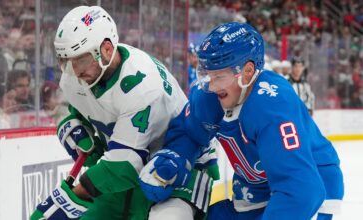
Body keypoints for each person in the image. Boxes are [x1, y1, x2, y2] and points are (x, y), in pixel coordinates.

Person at [139, 22, 344, 220]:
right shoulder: (211, 95)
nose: (210, 86)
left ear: (247, 72)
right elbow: (189, 131)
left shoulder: (272, 107)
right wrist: (175, 156)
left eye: (219, 76)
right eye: (207, 75)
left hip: (308, 199)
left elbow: (300, 190)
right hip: (252, 194)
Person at [31, 6, 217, 220]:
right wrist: (72, 122)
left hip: (181, 164)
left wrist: (70, 200)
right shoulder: (77, 76)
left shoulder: (143, 88)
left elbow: (124, 165)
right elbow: (80, 111)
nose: (73, 72)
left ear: (107, 50)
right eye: (66, 62)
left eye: (80, 60)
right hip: (131, 164)